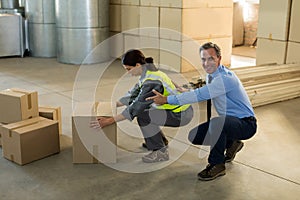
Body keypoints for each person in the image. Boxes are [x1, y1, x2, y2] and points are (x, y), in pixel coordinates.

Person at [147, 42, 257, 180]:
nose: (206, 63)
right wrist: (188, 91)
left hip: (246, 125)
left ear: (219, 59)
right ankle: (232, 143)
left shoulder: (224, 79)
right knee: (195, 136)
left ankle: (217, 165)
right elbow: (204, 92)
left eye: (211, 58)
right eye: (203, 59)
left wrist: (166, 100)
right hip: (230, 123)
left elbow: (200, 95)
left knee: (217, 123)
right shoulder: (212, 75)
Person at [92, 49, 193, 163]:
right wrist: (112, 105)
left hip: (180, 114)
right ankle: (160, 141)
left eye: (129, 69)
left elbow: (136, 107)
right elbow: (133, 94)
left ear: (138, 65)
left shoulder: (152, 81)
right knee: (146, 111)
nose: (128, 72)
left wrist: (109, 121)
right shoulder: (148, 74)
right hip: (178, 109)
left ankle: (160, 152)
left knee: (143, 116)